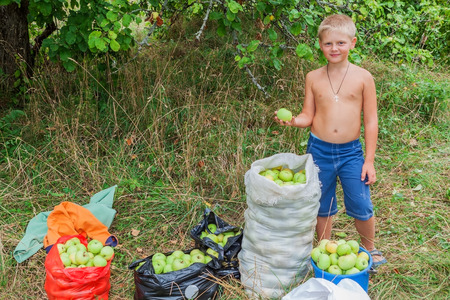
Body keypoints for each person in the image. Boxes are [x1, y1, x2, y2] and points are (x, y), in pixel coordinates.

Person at [274, 14, 387, 267]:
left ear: (353, 43)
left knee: (360, 201)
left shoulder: (363, 78)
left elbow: (370, 121)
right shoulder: (313, 77)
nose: (334, 48)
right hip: (319, 150)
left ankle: (369, 248)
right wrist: (293, 121)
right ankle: (324, 249)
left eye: (341, 43)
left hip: (351, 153)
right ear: (320, 45)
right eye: (328, 44)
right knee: (321, 203)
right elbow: (308, 115)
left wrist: (369, 161)